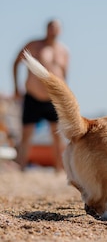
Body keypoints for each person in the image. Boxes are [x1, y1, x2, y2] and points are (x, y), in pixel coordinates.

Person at [13, 19, 69, 171]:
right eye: (51, 27)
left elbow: (64, 75)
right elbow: (16, 62)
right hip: (33, 96)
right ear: (46, 29)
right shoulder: (34, 45)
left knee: (58, 135)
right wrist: (16, 88)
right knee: (26, 134)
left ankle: (59, 169)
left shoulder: (63, 51)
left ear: (60, 31)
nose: (53, 31)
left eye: (56, 28)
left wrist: (65, 96)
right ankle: (21, 167)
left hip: (54, 99)